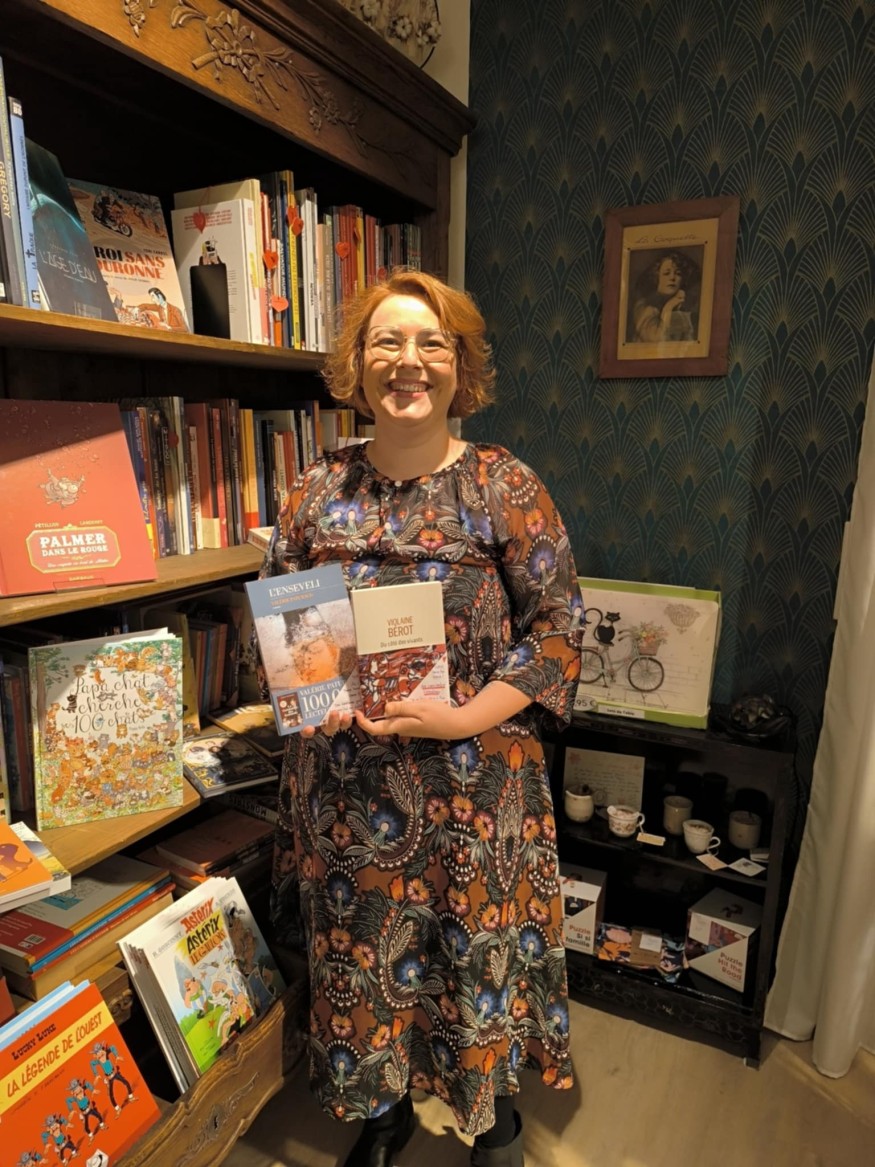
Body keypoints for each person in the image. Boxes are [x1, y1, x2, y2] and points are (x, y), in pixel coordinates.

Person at [259, 269, 583, 1167]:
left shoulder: (502, 483)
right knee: (363, 959)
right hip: (346, 788)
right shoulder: (316, 487)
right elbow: (286, 615)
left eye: (431, 343)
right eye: (387, 342)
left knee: (476, 955)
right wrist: (313, 694)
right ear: (357, 365)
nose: (408, 361)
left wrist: (462, 716)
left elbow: (558, 630)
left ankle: (495, 1120)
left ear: (459, 365)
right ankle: (382, 1112)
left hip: (472, 783)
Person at [629, 250, 699, 343]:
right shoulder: (644, 306)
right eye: (666, 273)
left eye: (678, 273)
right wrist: (669, 306)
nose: (672, 278)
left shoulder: (682, 309)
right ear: (656, 277)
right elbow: (658, 341)